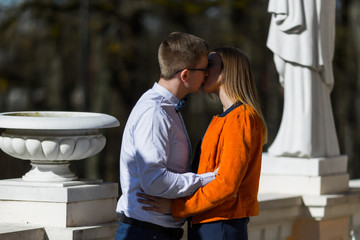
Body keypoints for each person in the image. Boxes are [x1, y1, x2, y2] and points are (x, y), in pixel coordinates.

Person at [137, 47, 268, 240]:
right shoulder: (227, 118)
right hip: (209, 222)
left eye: (210, 65)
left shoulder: (241, 118)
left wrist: (177, 207)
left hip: (221, 224)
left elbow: (227, 184)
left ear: (227, 70)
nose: (204, 71)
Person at [115, 32, 217, 240]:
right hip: (146, 232)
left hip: (153, 231)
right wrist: (206, 179)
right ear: (185, 75)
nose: (207, 75)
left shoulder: (167, 109)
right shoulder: (155, 113)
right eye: (204, 70)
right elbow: (154, 181)